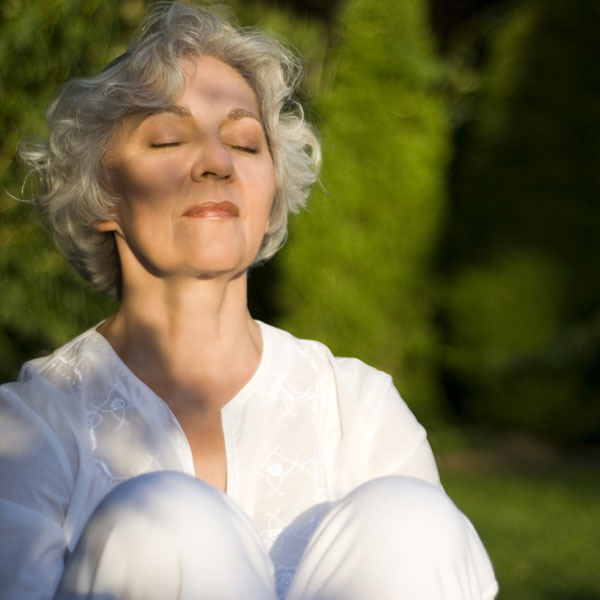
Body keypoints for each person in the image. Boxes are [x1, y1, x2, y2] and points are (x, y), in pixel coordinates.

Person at [0, 2, 498, 599]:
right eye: (166, 139)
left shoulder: (359, 410)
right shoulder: (32, 428)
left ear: (271, 194)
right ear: (103, 195)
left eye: (243, 142)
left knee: (412, 522)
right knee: (169, 521)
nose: (215, 163)